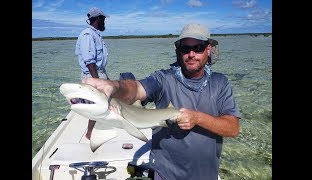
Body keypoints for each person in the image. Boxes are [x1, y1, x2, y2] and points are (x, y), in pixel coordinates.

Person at [82, 23, 241, 180]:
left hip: (206, 174)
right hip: (166, 174)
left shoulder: (220, 83)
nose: (191, 54)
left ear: (208, 49)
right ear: (179, 51)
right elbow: (137, 88)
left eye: (198, 47)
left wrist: (198, 118)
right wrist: (114, 86)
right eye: (185, 48)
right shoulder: (164, 79)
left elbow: (233, 128)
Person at [75, 7, 110, 140]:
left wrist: (105, 79)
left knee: (103, 103)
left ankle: (95, 129)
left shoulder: (95, 34)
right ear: (99, 18)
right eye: (104, 19)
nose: (104, 21)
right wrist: (98, 81)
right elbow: (89, 61)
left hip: (99, 73)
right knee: (95, 106)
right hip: (92, 75)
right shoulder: (88, 35)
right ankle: (90, 134)